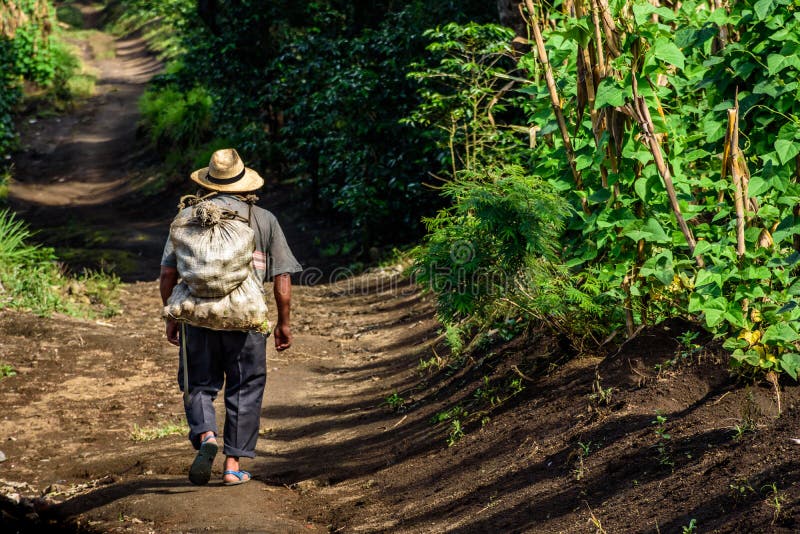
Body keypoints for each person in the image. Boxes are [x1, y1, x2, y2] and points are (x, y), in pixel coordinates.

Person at [159, 148, 302, 486]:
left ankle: (206, 436)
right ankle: (232, 466)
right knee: (245, 387)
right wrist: (284, 322)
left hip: (197, 315)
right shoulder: (263, 218)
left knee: (198, 383)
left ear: (208, 181)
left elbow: (168, 274)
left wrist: (171, 314)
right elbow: (282, 279)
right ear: (243, 181)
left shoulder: (188, 217)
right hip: (246, 318)